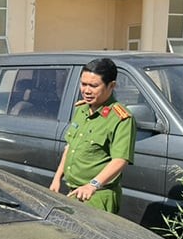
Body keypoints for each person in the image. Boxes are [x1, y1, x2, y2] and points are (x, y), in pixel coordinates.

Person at [49, 58, 136, 214]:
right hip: (74, 192)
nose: (86, 91)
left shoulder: (121, 118)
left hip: (97, 195)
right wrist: (57, 179)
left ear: (112, 86)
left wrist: (93, 185)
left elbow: (120, 160)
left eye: (94, 86)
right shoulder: (81, 110)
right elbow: (70, 147)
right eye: (84, 84)